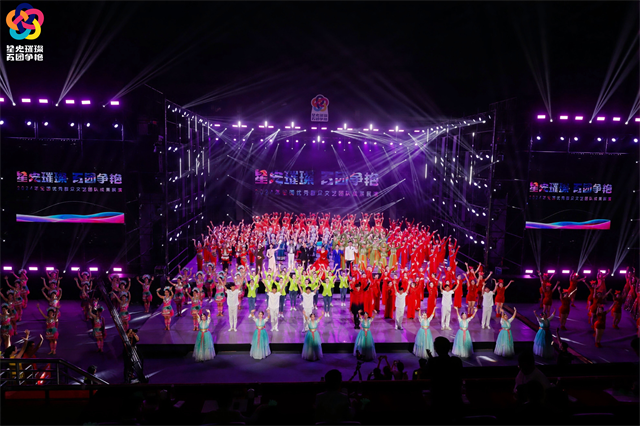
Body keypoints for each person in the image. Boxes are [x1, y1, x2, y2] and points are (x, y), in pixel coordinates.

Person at [425, 337, 463, 410]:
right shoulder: (456, 361)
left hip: (438, 400)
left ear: (435, 348)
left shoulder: (433, 362)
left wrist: (431, 359)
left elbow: (427, 373)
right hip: (455, 400)